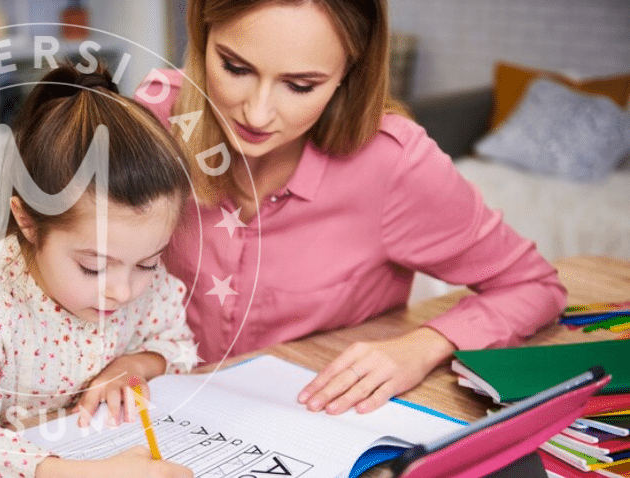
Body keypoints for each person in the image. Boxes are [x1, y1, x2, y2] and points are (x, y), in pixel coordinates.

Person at [136, 0, 566, 417]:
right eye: (235, 67)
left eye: (300, 85)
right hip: (154, 409)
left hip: (312, 423)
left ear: (349, 72)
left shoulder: (395, 164)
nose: (257, 112)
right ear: (201, 33)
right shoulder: (154, 116)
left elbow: (533, 286)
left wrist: (424, 346)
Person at [0, 64, 195, 478]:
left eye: (148, 263)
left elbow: (179, 346)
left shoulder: (138, 279)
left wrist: (138, 364)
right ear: (28, 223)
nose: (125, 292)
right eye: (93, 268)